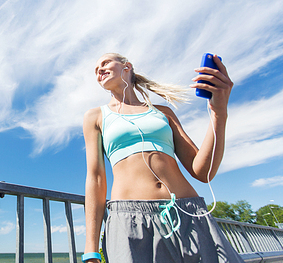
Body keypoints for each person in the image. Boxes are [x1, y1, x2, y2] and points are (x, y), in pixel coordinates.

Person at [82, 53, 243, 263]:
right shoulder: (95, 116)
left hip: (189, 214)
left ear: (127, 67)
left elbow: (203, 172)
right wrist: (91, 249)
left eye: (104, 63)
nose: (99, 71)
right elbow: (96, 179)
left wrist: (218, 113)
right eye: (96, 70)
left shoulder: (162, 112)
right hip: (131, 221)